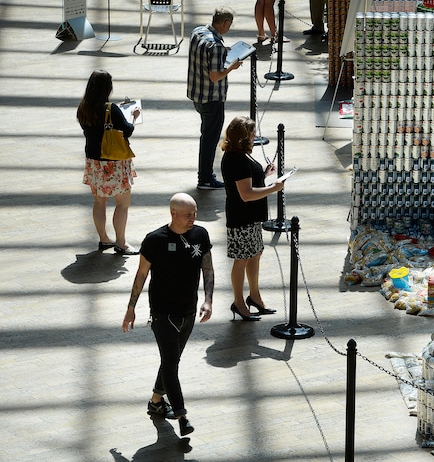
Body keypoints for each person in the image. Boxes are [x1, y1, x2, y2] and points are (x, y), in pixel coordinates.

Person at [121, 193, 214, 437]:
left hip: (189, 311)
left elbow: (207, 268)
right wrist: (131, 308)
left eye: (194, 214)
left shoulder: (200, 235)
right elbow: (141, 275)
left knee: (170, 361)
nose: (193, 219)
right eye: (187, 215)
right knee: (172, 365)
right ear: (173, 213)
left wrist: (208, 300)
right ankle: (182, 415)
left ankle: (155, 402)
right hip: (163, 313)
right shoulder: (155, 240)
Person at [221, 117, 284, 320]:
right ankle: (238, 302)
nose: (254, 136)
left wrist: (264, 175)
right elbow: (246, 194)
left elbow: (248, 182)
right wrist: (272, 188)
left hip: (251, 217)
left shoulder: (241, 155)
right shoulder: (235, 159)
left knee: (254, 254)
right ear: (242, 137)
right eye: (251, 133)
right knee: (242, 259)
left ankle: (254, 296)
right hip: (241, 218)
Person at [77, 70, 140, 255]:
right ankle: (121, 242)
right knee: (123, 202)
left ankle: (104, 239)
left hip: (94, 162)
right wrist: (133, 118)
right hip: (114, 162)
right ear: (108, 88)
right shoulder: (110, 109)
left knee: (99, 201)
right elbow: (127, 131)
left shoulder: (83, 107)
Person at [187, 6, 243, 190]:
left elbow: (207, 54)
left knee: (206, 135)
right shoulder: (216, 47)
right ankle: (205, 178)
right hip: (212, 99)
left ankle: (205, 175)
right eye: (230, 24)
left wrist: (224, 50)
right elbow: (214, 76)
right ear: (225, 23)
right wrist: (230, 68)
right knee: (210, 140)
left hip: (197, 95)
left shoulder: (198, 32)